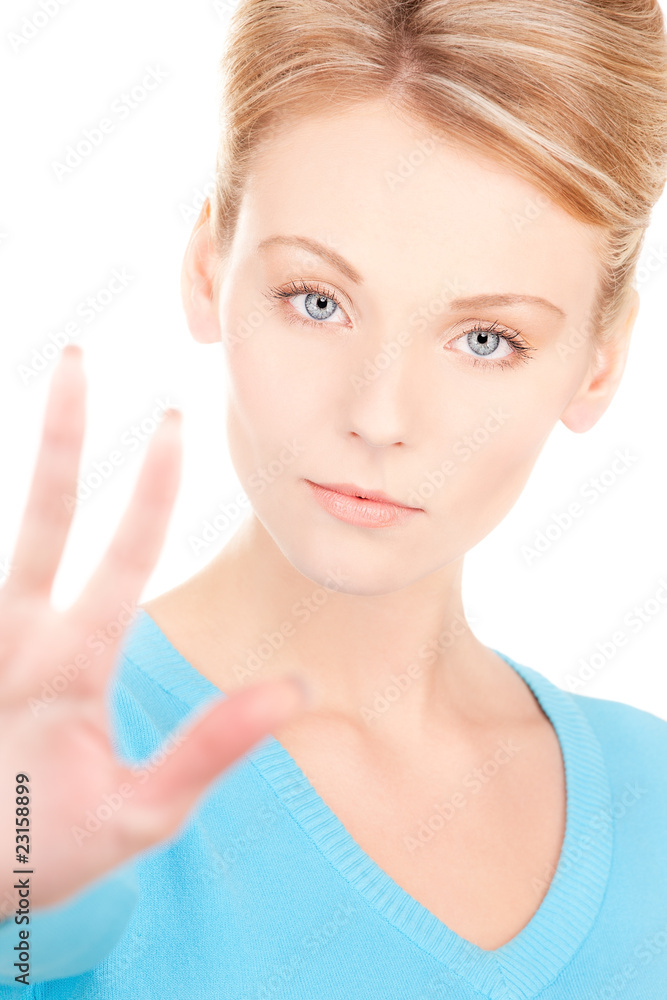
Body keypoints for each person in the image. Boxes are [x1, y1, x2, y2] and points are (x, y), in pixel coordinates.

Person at [2, 0, 667, 996]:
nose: (380, 415)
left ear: (599, 362)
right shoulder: (37, 761)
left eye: (486, 339)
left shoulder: (649, 799)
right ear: (207, 266)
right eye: (317, 302)